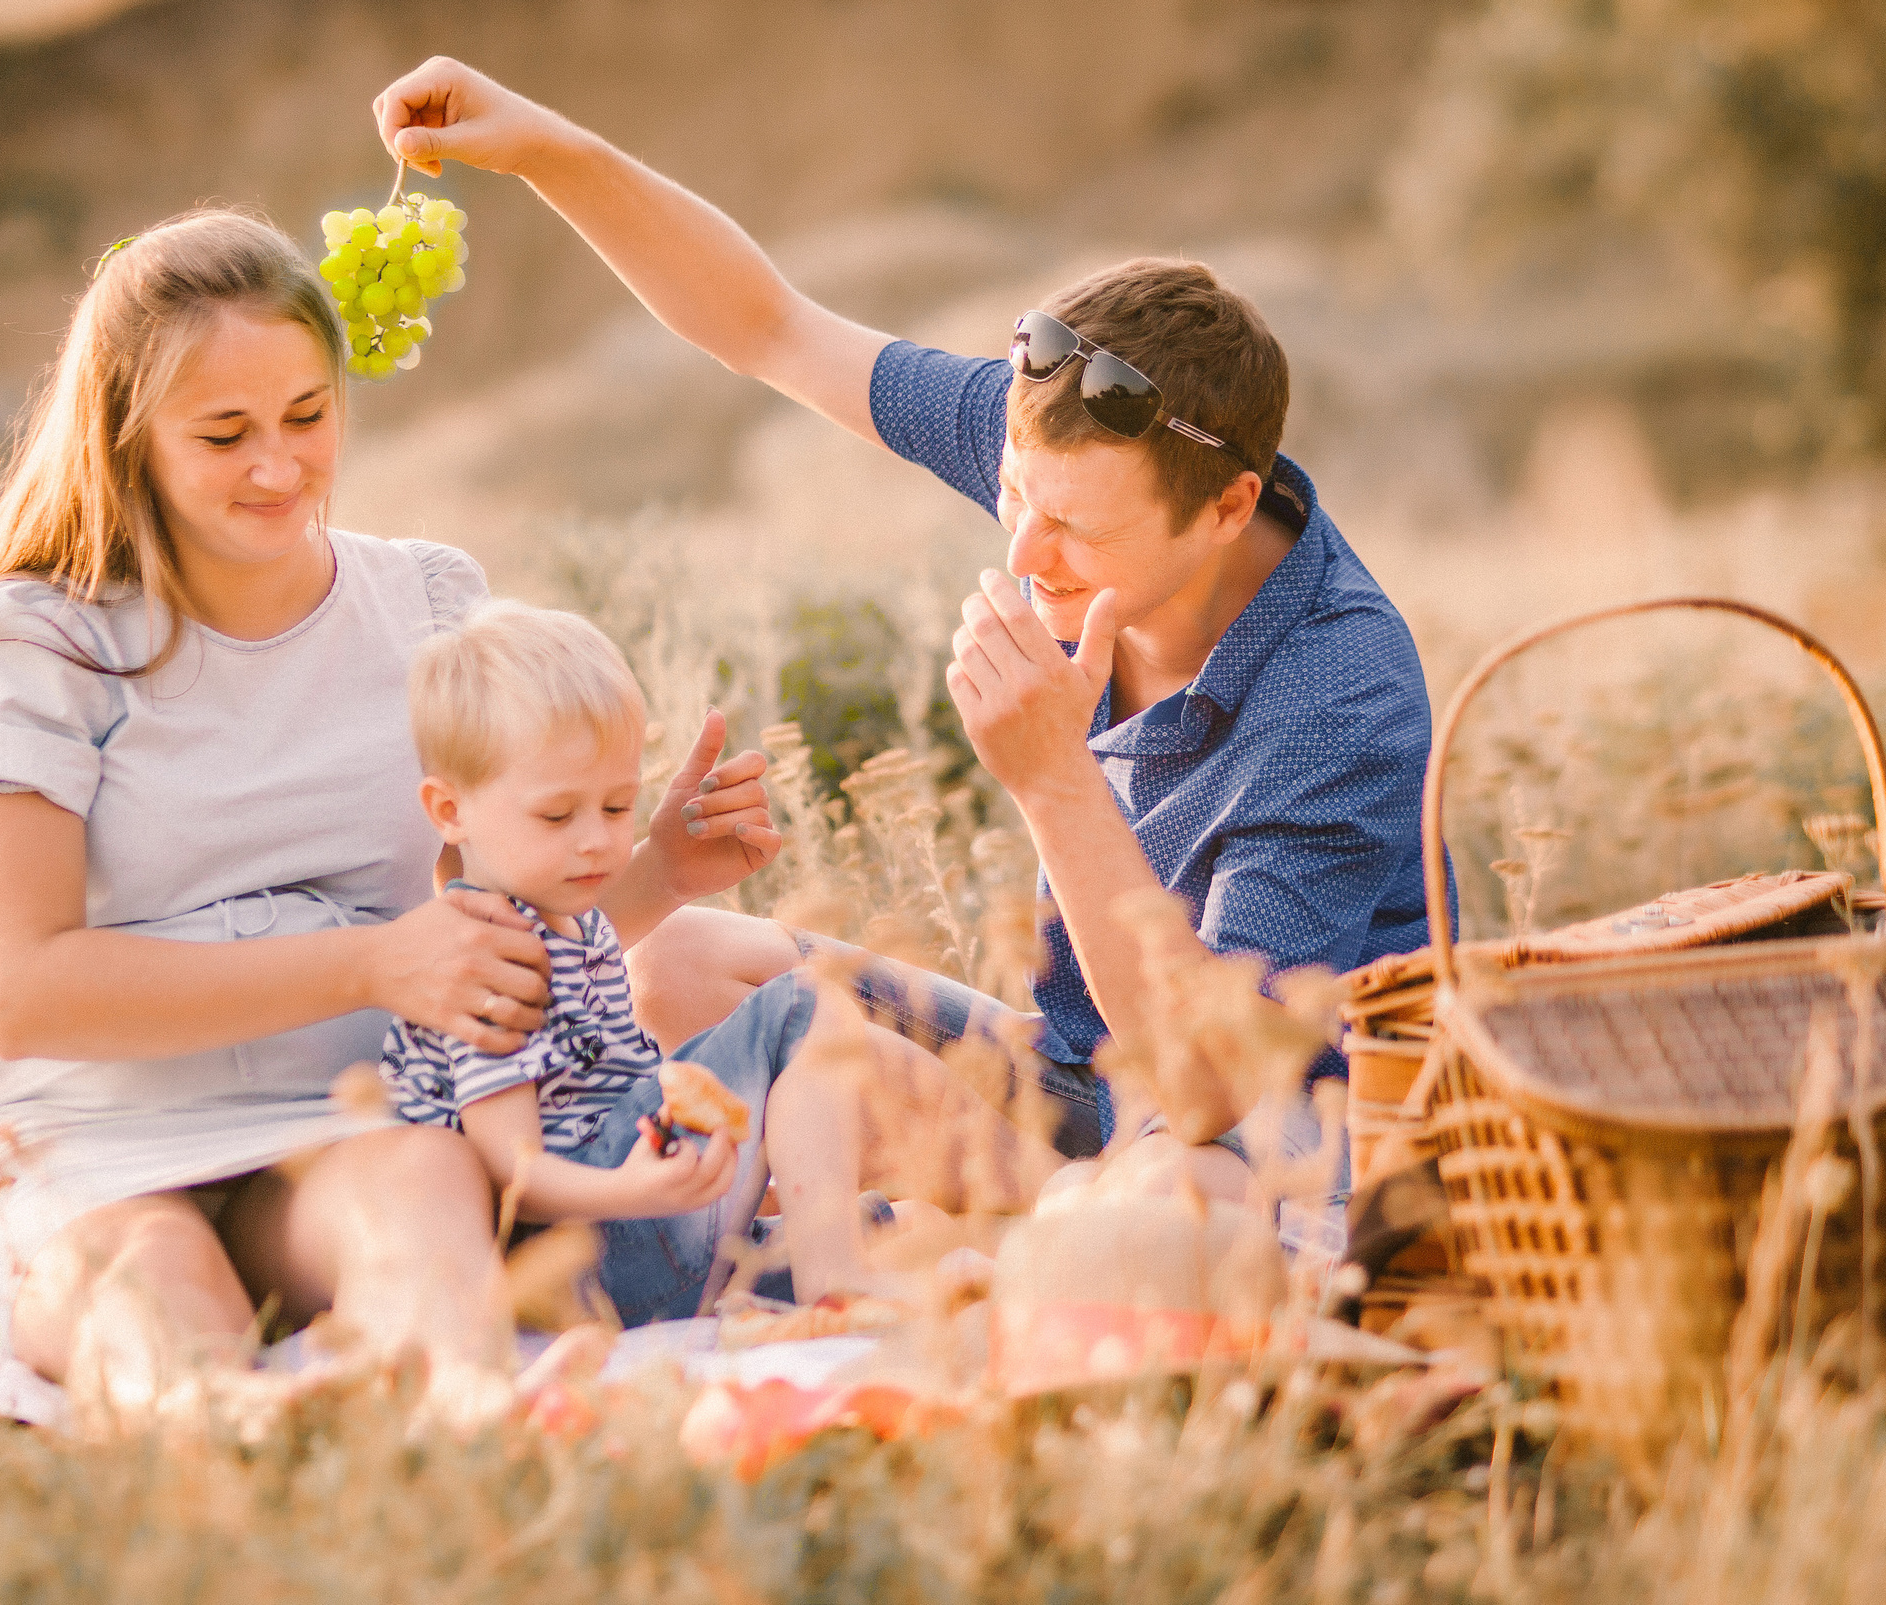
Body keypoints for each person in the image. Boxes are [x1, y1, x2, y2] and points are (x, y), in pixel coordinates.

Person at [366, 60, 1447, 1197]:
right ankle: (986, 1231)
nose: (1023, 554)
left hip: (1274, 1154)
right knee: (678, 960)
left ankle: (1014, 1237)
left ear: (1227, 509)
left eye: (1071, 530)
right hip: (1074, 1082)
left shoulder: (1340, 694)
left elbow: (1210, 1086)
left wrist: (1050, 778)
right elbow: (767, 326)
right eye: (1014, 500)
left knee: (1173, 1191)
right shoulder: (1068, 452)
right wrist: (543, 146)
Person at [0, 208, 785, 1416]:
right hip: (80, 1140)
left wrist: (651, 873)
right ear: (128, 440)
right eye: (224, 433)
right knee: (157, 1285)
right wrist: (372, 962)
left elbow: (484, 948)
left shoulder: (428, 607)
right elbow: (27, 996)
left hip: (347, 1119)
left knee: (421, 1187)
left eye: (307, 416)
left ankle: (474, 1428)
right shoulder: (37, 649)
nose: (280, 466)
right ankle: (233, 1441)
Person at [380, 599, 970, 1319]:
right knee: (802, 1003)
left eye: (618, 805)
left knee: (915, 1227)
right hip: (584, 1247)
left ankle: (834, 1255)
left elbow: (610, 1087)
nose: (597, 841)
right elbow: (515, 1173)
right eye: (558, 815)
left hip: (639, 1224)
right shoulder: (480, 958)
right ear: (449, 811)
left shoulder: (573, 924)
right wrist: (635, 1188)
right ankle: (834, 1278)